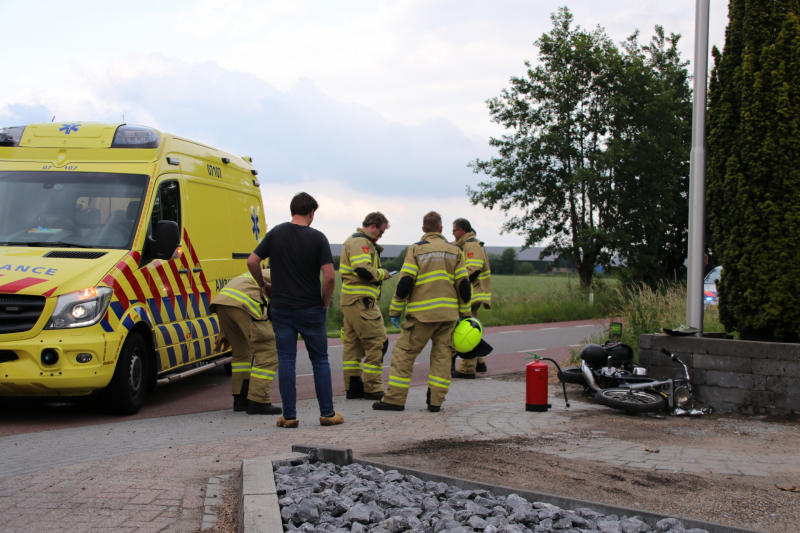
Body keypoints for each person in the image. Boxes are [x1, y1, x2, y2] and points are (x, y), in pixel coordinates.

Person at [247, 192, 342, 428]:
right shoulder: (318, 238)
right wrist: (325, 303)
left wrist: (263, 285)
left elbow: (252, 261)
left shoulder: (276, 233)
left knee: (287, 360)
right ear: (311, 212)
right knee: (320, 361)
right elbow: (329, 277)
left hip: (281, 308)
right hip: (310, 307)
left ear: (292, 210)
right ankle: (327, 414)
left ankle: (289, 416)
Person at [373, 211, 472, 412]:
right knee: (443, 359)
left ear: (423, 229)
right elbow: (463, 285)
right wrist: (465, 315)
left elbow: (406, 282)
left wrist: (394, 311)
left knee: (403, 355)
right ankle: (436, 402)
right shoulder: (455, 251)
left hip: (421, 317)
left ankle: (395, 399)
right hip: (448, 317)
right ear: (442, 229)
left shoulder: (417, 249)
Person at [210, 270, 282, 415]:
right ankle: (258, 401)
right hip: (244, 303)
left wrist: (225, 331)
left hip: (222, 304)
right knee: (268, 353)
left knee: (241, 354)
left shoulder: (267, 271)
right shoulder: (290, 274)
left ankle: (241, 399)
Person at [339, 212, 392, 400]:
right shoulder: (360, 242)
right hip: (361, 301)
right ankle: (373, 387)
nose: (381, 235)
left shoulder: (354, 241)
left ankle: (353, 387)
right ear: (373, 226)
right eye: (381, 231)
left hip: (351, 301)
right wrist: (383, 273)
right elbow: (362, 270)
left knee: (353, 346)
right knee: (378, 341)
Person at [450, 218, 492, 379]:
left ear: (461, 230)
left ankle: (467, 367)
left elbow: (473, 270)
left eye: (454, 231)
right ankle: (479, 362)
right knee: (470, 329)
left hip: (471, 294)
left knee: (464, 330)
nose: (453, 234)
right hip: (471, 293)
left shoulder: (471, 244)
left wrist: (455, 281)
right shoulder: (465, 244)